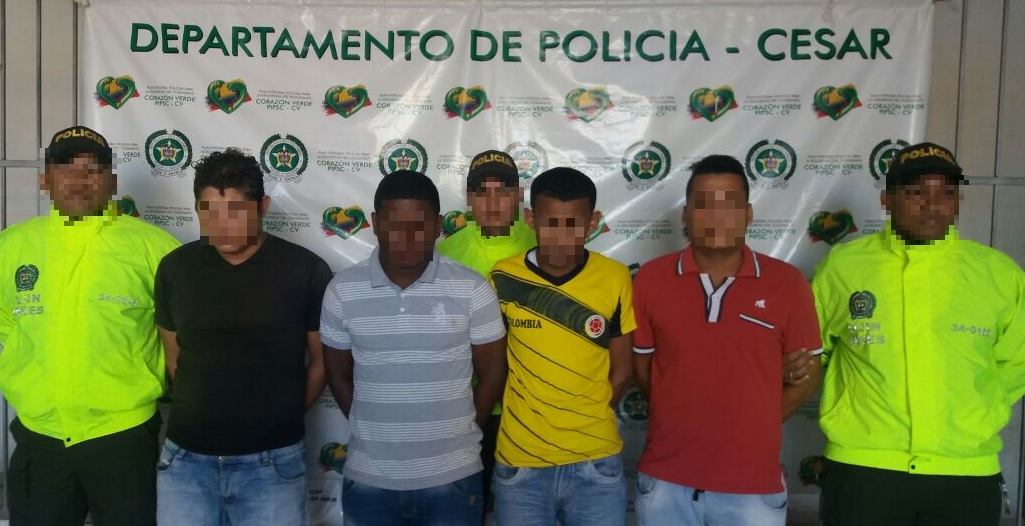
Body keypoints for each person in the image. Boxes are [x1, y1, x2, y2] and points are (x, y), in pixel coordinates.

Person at [812, 142, 1025, 526]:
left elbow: (1017, 362)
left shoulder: (997, 273)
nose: (932, 205)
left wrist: (977, 412)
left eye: (946, 193)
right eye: (916, 192)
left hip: (965, 469)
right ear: (887, 200)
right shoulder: (844, 267)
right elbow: (813, 351)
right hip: (864, 468)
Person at [0, 125, 180, 526]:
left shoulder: (155, 248)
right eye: (66, 168)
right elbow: (7, 324)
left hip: (124, 437)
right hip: (39, 437)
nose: (80, 179)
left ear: (112, 183)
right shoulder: (12, 247)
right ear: (45, 180)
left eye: (93, 169)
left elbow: (181, 335)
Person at [630, 155, 822, 526]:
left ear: (748, 214)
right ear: (686, 215)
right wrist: (681, 415)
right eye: (704, 204)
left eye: (729, 204)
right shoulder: (651, 279)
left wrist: (755, 423)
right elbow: (643, 369)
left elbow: (807, 372)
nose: (717, 216)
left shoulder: (787, 283)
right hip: (666, 480)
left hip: (752, 485)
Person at [153, 148, 333, 525]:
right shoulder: (175, 269)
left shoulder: (306, 270)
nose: (222, 224)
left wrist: (280, 415)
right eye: (209, 211)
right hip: (186, 463)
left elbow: (322, 363)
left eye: (235, 211)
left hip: (274, 464)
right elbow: (174, 358)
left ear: (262, 207)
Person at [321, 170, 508, 526]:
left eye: (419, 225)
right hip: (370, 479)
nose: (406, 237)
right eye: (394, 225)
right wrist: (376, 435)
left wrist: (461, 433)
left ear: (437, 225)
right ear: (376, 224)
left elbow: (493, 375)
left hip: (454, 479)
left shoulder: (472, 289)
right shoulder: (342, 290)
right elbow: (338, 375)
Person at [489, 167, 635, 526]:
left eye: (573, 224)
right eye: (550, 223)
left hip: (595, 463)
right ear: (531, 219)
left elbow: (622, 371)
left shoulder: (614, 277)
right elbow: (492, 367)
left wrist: (582, 418)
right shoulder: (502, 277)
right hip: (520, 463)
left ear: (592, 222)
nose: (561, 237)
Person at [437, 149, 536, 517]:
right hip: (467, 407)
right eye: (482, 192)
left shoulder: (544, 245)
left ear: (519, 195)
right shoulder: (445, 253)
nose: (493, 203)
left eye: (503, 191)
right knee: (464, 512)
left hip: (528, 408)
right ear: (469, 198)